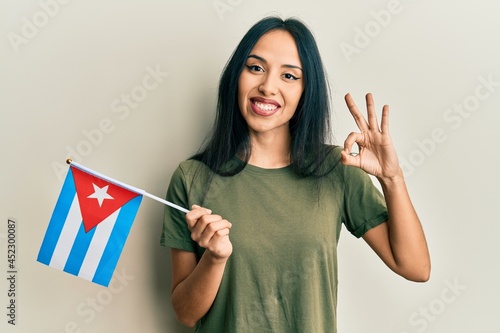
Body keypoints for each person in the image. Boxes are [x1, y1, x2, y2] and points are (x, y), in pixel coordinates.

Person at [160, 15, 430, 333]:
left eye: (289, 75)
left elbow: (415, 267)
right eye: (255, 67)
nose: (267, 86)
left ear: (306, 90)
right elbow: (186, 313)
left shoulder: (337, 170)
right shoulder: (192, 178)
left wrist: (392, 178)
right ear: (236, 76)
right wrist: (215, 258)